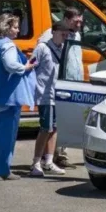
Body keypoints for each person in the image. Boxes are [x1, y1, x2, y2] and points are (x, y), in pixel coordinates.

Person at [0, 14, 37, 181]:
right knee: (6, 136)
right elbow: (11, 65)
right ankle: (3, 170)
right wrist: (26, 67)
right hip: (8, 97)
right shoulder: (8, 45)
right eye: (15, 27)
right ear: (6, 27)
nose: (18, 30)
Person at [39, 7, 83, 168]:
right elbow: (42, 54)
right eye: (76, 20)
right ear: (66, 19)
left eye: (81, 20)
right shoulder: (50, 34)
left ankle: (61, 154)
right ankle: (47, 156)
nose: (80, 23)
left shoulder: (77, 34)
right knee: (52, 123)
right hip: (57, 84)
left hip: (74, 83)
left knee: (66, 120)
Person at [30, 21, 71, 177]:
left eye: (67, 35)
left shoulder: (63, 49)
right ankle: (35, 162)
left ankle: (48, 161)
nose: (65, 38)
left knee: (54, 128)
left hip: (57, 94)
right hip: (45, 94)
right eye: (62, 34)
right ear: (54, 32)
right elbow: (31, 65)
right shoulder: (42, 48)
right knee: (45, 128)